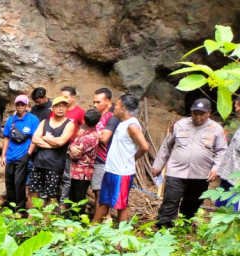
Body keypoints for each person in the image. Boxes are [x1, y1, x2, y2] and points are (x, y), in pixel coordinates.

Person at [152, 97, 227, 226]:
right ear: (191, 112)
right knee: (170, 201)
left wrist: (216, 168)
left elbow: (221, 151)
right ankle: (163, 229)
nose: (198, 117)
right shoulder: (180, 125)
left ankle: (184, 228)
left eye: (202, 113)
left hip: (200, 174)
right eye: (195, 113)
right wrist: (158, 165)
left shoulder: (216, 129)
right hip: (176, 172)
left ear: (209, 113)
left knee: (192, 203)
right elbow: (166, 146)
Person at [93, 93, 150, 224]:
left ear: (123, 108)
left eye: (117, 105)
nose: (114, 108)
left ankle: (122, 235)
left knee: (121, 204)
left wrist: (132, 158)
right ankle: (92, 228)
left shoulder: (132, 126)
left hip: (122, 172)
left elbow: (145, 147)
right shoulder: (122, 123)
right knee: (104, 201)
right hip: (112, 169)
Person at [28, 95, 76, 204]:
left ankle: (47, 220)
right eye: (57, 106)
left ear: (67, 108)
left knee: (52, 194)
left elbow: (61, 142)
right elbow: (35, 138)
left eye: (63, 106)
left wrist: (45, 137)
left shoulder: (69, 124)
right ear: (52, 108)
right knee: (34, 191)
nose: (60, 109)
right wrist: (52, 143)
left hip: (55, 165)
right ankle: (33, 218)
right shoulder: (44, 122)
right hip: (39, 162)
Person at [0, 94, 40, 211]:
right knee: (9, 182)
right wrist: (3, 156)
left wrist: (28, 154)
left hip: (23, 155)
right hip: (10, 156)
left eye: (22, 104)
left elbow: (34, 139)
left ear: (26, 105)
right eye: (18, 104)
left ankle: (20, 208)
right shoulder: (11, 120)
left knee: (19, 183)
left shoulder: (32, 119)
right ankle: (10, 206)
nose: (20, 106)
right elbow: (6, 138)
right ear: (15, 105)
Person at [68, 108, 101, 207]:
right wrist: (71, 148)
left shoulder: (89, 137)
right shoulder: (89, 134)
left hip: (82, 173)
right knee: (74, 197)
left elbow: (75, 155)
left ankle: (77, 220)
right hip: (78, 172)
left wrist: (70, 148)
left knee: (78, 199)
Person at [91, 87, 119, 195]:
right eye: (94, 102)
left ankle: (101, 212)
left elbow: (104, 138)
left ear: (108, 101)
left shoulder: (111, 116)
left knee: (100, 191)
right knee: (96, 190)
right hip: (95, 158)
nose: (94, 105)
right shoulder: (98, 115)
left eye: (98, 102)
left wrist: (90, 134)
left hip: (104, 159)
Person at [214, 95, 240, 209]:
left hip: (237, 181)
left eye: (238, 106)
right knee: (221, 210)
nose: (236, 109)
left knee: (232, 214)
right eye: (235, 105)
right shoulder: (237, 125)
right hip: (227, 175)